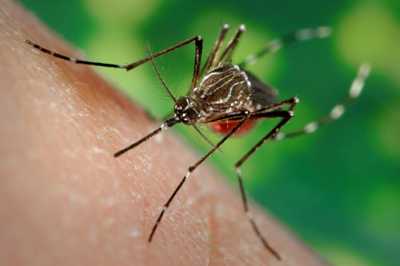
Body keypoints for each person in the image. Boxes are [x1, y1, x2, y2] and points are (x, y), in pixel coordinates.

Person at [0, 1, 329, 265]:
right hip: (223, 87)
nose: (181, 113)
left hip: (240, 108)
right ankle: (123, 69)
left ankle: (239, 166)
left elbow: (259, 108)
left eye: (187, 111)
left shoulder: (225, 108)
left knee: (284, 107)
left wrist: (194, 169)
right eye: (183, 106)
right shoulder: (196, 94)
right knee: (215, 37)